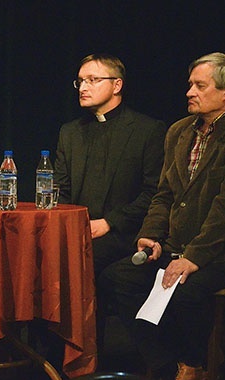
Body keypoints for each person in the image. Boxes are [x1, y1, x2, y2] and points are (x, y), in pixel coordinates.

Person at [99, 52, 225, 380]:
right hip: (181, 246)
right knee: (116, 279)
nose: (189, 92)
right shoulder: (179, 131)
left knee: (187, 289)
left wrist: (194, 256)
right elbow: (164, 193)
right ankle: (172, 364)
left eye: (199, 85)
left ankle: (196, 361)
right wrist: (150, 235)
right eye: (190, 84)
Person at [53, 53, 165, 358]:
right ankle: (49, 355)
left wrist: (109, 223)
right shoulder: (71, 132)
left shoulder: (147, 130)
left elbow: (153, 193)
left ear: (117, 85)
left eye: (93, 80)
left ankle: (83, 355)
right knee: (43, 257)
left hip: (124, 233)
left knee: (80, 262)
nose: (82, 87)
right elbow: (60, 189)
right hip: (79, 231)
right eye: (80, 81)